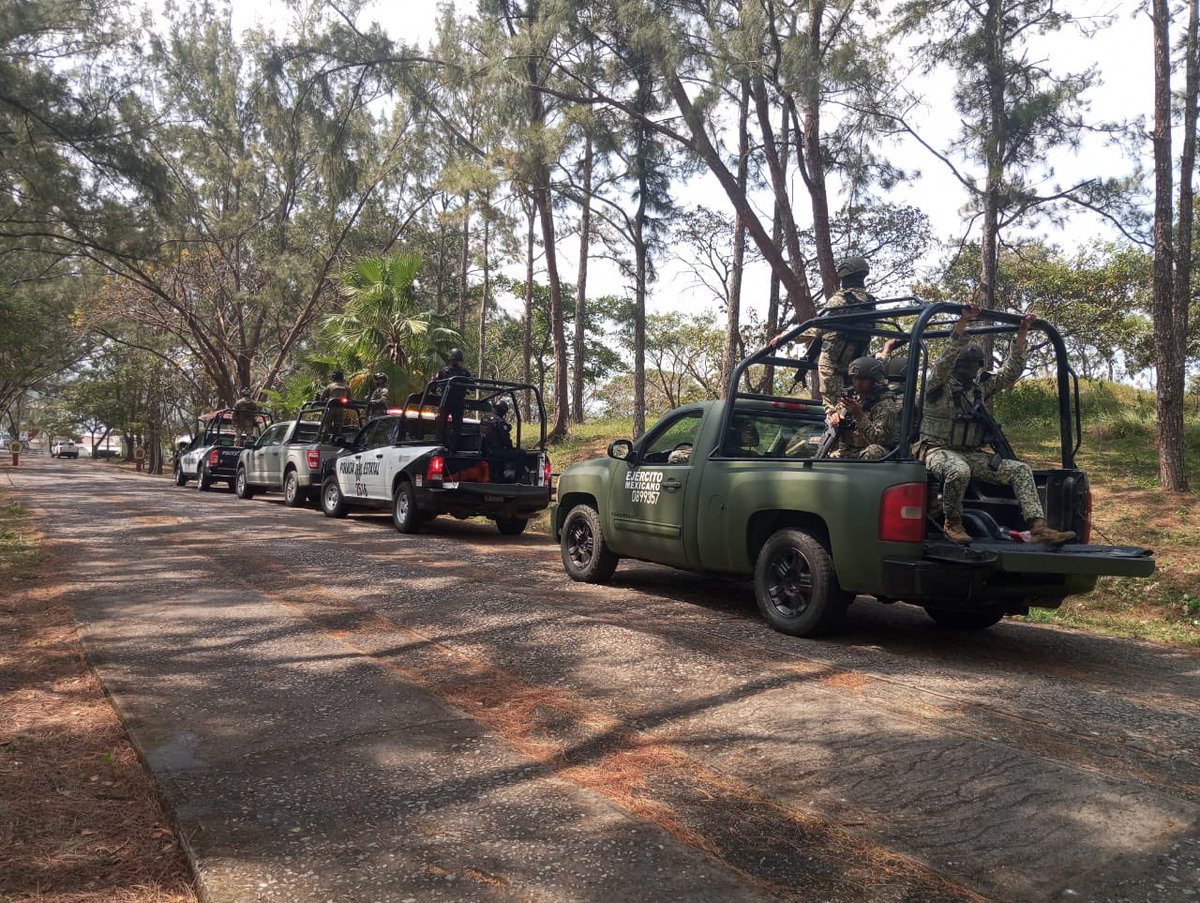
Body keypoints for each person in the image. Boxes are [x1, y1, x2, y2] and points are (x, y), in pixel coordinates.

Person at [915, 304, 1075, 546]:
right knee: (958, 470)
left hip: (969, 454)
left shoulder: (978, 389)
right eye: (967, 363)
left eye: (976, 364)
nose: (972, 368)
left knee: (1019, 470)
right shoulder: (937, 387)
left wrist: (1022, 333)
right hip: (936, 451)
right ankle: (952, 523)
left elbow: (1011, 372)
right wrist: (962, 323)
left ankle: (1038, 528)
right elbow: (944, 360)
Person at [817, 256, 878, 413]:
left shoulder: (841, 299)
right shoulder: (870, 303)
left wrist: (786, 337)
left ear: (844, 275)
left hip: (833, 364)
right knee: (848, 407)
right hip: (856, 369)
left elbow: (817, 326)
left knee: (833, 412)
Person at [828, 356, 900, 460]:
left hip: (870, 455)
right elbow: (835, 414)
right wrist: (834, 416)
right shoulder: (852, 398)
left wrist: (859, 415)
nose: (858, 383)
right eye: (855, 378)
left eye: (862, 379)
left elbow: (880, 440)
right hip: (848, 451)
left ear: (874, 380)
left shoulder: (885, 404)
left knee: (874, 451)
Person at [429, 348, 472, 452]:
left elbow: (434, 385)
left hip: (447, 401)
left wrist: (434, 391)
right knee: (451, 426)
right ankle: (450, 448)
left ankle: (444, 446)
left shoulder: (444, 372)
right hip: (454, 402)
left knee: (445, 425)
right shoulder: (464, 373)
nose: (455, 361)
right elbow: (472, 387)